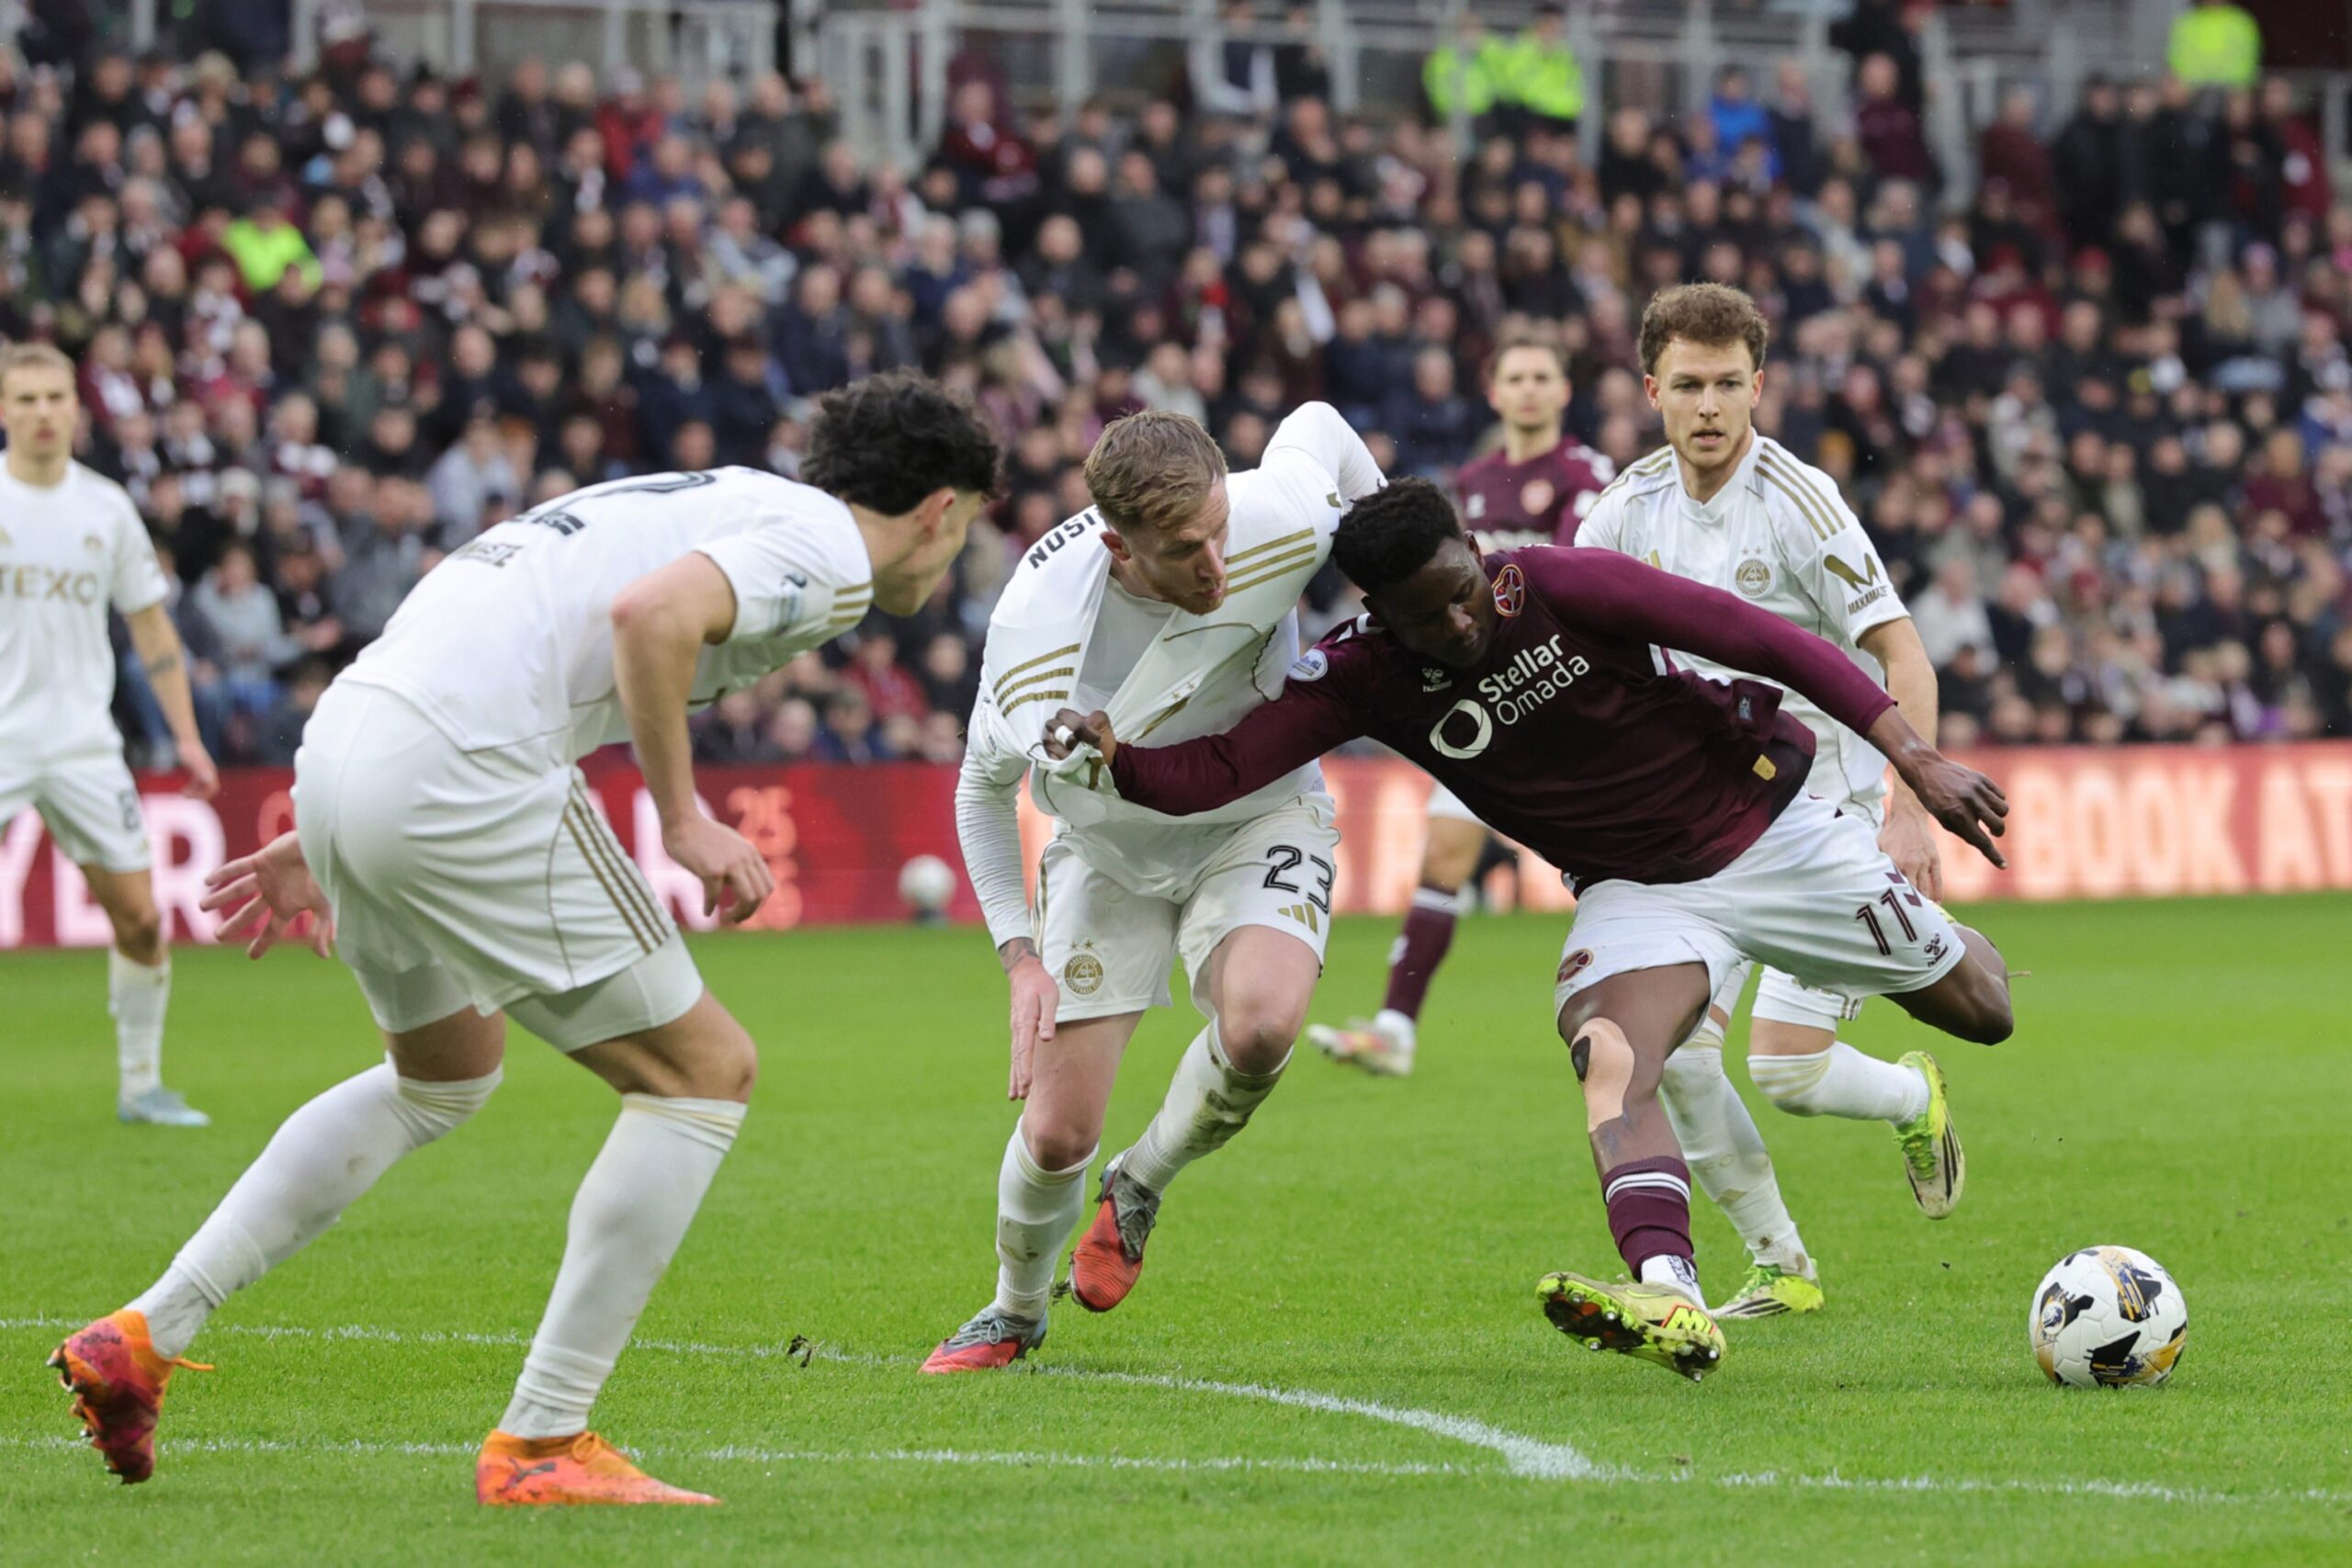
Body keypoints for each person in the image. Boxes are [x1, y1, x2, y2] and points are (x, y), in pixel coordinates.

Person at [50, 372, 1001, 1503]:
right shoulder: (829, 551)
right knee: (702, 1073)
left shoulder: (725, 498)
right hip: (464, 770)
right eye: (967, 532)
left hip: (356, 735)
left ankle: (144, 1336)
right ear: (940, 509)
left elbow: (511, 603)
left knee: (439, 1081)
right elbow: (649, 619)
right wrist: (685, 818)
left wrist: (336, 815)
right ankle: (544, 1442)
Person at [1038, 462, 2013, 1380]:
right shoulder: (1361, 673)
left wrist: (1911, 757)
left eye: (1463, 588)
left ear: (1474, 550)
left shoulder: (1555, 584)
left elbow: (1757, 638)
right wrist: (1116, 758)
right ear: (1379, 615)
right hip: (1638, 890)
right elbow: (1223, 769)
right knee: (1612, 1054)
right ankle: (1670, 1294)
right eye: (1429, 614)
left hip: (1772, 831)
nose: (1462, 620)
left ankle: (1929, 1024)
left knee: (1981, 1010)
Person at [922, 402, 1384, 1373]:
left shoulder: (1282, 512)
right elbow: (980, 791)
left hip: (1258, 814)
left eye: (1222, 531)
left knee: (1260, 1024)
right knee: (1054, 1133)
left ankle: (1143, 1180)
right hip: (1107, 852)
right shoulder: (1037, 647)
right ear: (1118, 549)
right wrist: (1017, 958)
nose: (1220, 568)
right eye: (1185, 551)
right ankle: (1015, 1310)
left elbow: (1320, 423)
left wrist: (1387, 577)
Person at [1573, 283, 1959, 1320]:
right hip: (1700, 820)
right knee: (1683, 1054)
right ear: (1652, 390)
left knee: (1786, 1073)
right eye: (1688, 385)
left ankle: (1912, 1094)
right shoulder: (1621, 510)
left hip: (1821, 809)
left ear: (1760, 387)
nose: (1709, 406)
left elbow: (1899, 652)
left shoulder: (1799, 503)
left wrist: (1909, 807)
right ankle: (1781, 1263)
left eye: (1729, 385)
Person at [1308, 336, 1612, 1078]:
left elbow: (1578, 573)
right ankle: (1394, 1026)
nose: (1531, 388)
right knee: (1442, 855)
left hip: (1561, 688)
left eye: (1544, 374)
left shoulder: (1585, 475)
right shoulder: (1469, 483)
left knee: (1607, 864)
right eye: (1517, 375)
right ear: (1495, 390)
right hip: (1483, 697)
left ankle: (1642, 998)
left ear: (1562, 391)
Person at [0, 343, 220, 1127]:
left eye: (54, 397)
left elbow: (152, 630)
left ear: (77, 410)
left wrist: (187, 738)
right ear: (4, 411)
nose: (41, 412)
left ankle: (141, 1086)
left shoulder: (105, 509)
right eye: (24, 399)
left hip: (84, 744)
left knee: (140, 918)